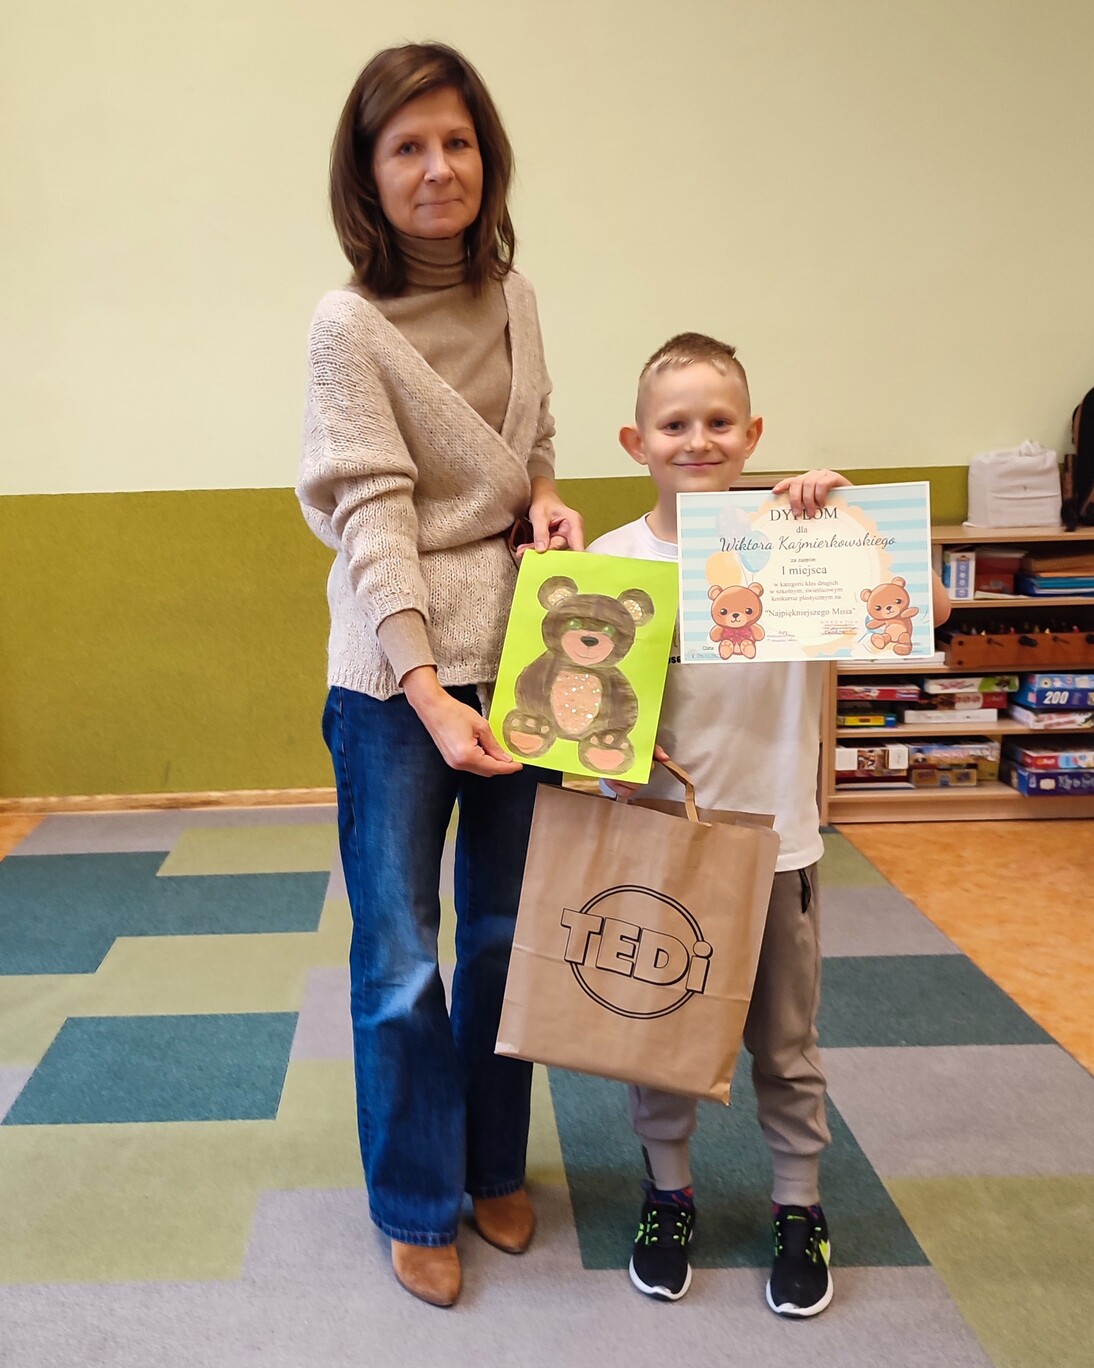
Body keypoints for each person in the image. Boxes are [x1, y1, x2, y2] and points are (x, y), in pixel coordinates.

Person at [296, 43, 584, 1309]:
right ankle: (416, 1198)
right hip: (391, 678)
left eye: (455, 141)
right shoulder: (345, 326)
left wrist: (547, 497)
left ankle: (489, 1164)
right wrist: (425, 691)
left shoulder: (516, 295)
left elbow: (531, 440)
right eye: (405, 146)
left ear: (486, 157)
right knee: (402, 956)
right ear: (366, 174)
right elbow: (373, 515)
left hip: (520, 654)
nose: (436, 168)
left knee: (509, 938)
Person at [589, 332, 950, 1317]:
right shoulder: (612, 559)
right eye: (674, 424)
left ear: (752, 436)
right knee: (657, 1042)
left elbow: (929, 608)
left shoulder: (802, 542)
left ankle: (799, 1205)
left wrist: (853, 519)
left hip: (778, 842)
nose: (696, 440)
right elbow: (580, 712)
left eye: (718, 422)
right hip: (660, 842)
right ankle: (668, 1194)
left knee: (785, 1046)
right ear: (636, 442)